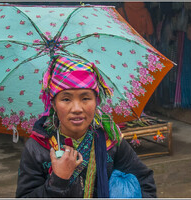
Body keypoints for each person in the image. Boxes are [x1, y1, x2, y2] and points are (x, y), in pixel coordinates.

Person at [15, 55, 156, 198]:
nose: (77, 108)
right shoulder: (37, 148)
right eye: (66, 99)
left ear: (96, 101)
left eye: (85, 98)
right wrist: (58, 180)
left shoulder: (110, 141)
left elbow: (145, 181)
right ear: (53, 104)